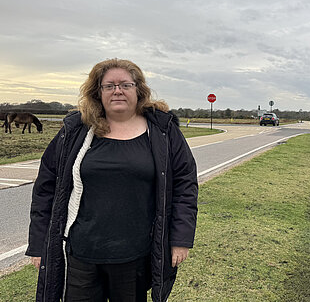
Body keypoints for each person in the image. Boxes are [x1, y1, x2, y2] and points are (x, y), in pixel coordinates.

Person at [26, 58, 198, 302]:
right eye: (109, 86)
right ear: (98, 92)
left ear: (139, 90)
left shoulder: (163, 132)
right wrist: (38, 243)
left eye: (125, 85)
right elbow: (46, 188)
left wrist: (180, 239)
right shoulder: (76, 130)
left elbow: (184, 186)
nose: (117, 90)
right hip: (81, 254)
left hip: (134, 256)